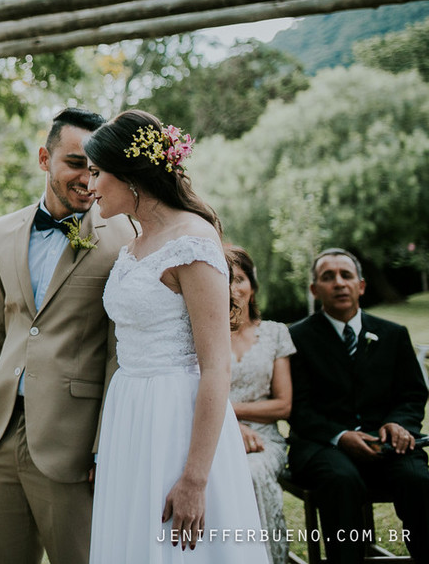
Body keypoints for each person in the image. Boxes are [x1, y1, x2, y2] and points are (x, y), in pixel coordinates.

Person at [84, 109, 266, 562]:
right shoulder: (134, 242)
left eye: (96, 173)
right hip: (129, 409)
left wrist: (195, 477)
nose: (89, 186)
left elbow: (216, 366)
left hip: (176, 416)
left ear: (129, 176)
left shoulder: (193, 241)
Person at [0, 107, 136, 564]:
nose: (88, 178)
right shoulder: (2, 233)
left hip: (73, 442)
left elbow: (120, 353)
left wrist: (105, 446)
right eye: (76, 163)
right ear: (45, 159)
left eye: (98, 167)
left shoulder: (125, 236)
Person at [287, 248, 429, 563]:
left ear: (361, 286)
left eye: (346, 275)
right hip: (323, 447)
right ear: (314, 290)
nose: (339, 283)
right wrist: (340, 435)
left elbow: (413, 393)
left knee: (418, 479)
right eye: (328, 277)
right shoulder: (296, 339)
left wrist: (399, 424)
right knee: (341, 480)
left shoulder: (394, 334)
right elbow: (297, 407)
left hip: (387, 445)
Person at [226, 244, 295, 564]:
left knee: (252, 473)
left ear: (252, 287)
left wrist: (227, 412)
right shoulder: (199, 334)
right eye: (223, 278)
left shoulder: (275, 333)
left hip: (265, 439)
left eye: (239, 279)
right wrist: (228, 425)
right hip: (215, 435)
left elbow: (282, 406)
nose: (231, 288)